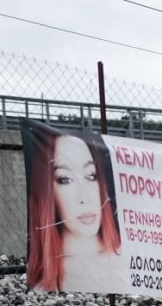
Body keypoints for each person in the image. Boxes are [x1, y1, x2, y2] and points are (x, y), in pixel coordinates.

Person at [25, 123, 124, 292]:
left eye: (91, 176)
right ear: (47, 193)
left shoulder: (130, 260)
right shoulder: (44, 282)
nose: (84, 197)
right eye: (65, 179)